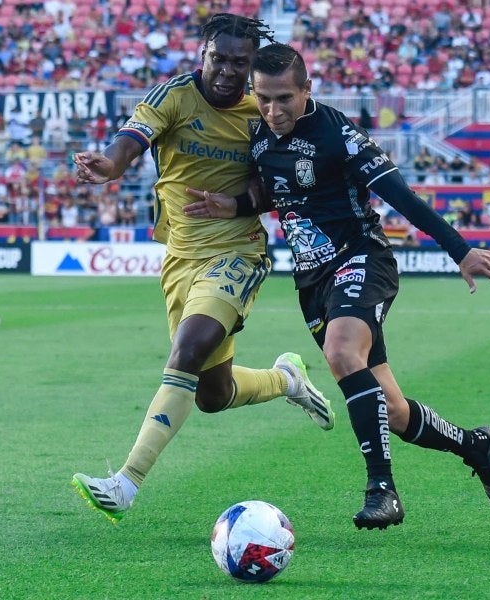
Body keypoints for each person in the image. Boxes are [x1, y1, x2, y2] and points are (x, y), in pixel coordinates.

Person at [185, 43, 490, 530]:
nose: (274, 111)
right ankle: (476, 446)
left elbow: (400, 194)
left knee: (341, 352)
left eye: (284, 99)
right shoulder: (257, 134)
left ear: (307, 91)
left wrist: (460, 250)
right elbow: (274, 193)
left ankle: (382, 489)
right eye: (264, 99)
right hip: (312, 281)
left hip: (362, 257)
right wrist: (231, 206)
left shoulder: (338, 132)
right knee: (395, 412)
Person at [70, 15, 335, 525]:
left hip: (237, 252)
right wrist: (110, 164)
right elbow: (130, 140)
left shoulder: (264, 111)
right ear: (203, 55)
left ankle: (125, 483)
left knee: (186, 352)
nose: (229, 72)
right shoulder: (174, 96)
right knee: (213, 394)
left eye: (241, 63)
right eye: (220, 59)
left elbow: (272, 187)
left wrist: (233, 204)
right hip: (180, 258)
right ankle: (287, 380)